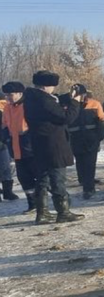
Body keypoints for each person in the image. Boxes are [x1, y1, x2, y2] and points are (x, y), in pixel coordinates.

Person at [23, 70, 84, 224]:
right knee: (58, 177)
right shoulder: (44, 101)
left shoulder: (32, 98)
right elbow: (65, 117)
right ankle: (63, 211)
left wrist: (67, 96)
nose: (53, 89)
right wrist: (75, 101)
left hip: (40, 143)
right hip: (53, 143)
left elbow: (53, 102)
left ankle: (42, 212)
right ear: (46, 86)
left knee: (42, 178)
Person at [2, 81, 42, 213]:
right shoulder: (7, 108)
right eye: (6, 95)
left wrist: (28, 135)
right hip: (15, 147)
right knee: (24, 178)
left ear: (20, 93)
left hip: (31, 147)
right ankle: (32, 203)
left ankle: (43, 203)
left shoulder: (28, 105)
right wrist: (5, 137)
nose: (8, 98)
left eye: (10, 95)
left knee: (39, 175)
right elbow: (5, 126)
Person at [68, 86, 104, 200]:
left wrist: (99, 137)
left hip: (91, 139)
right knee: (80, 162)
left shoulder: (95, 104)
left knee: (90, 163)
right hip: (76, 139)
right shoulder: (70, 105)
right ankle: (83, 181)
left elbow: (102, 121)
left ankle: (89, 188)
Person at [0, 92, 20, 202]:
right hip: (4, 142)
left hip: (3, 142)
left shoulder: (4, 107)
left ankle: (7, 192)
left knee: (6, 168)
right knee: (6, 168)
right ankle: (8, 192)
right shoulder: (6, 107)